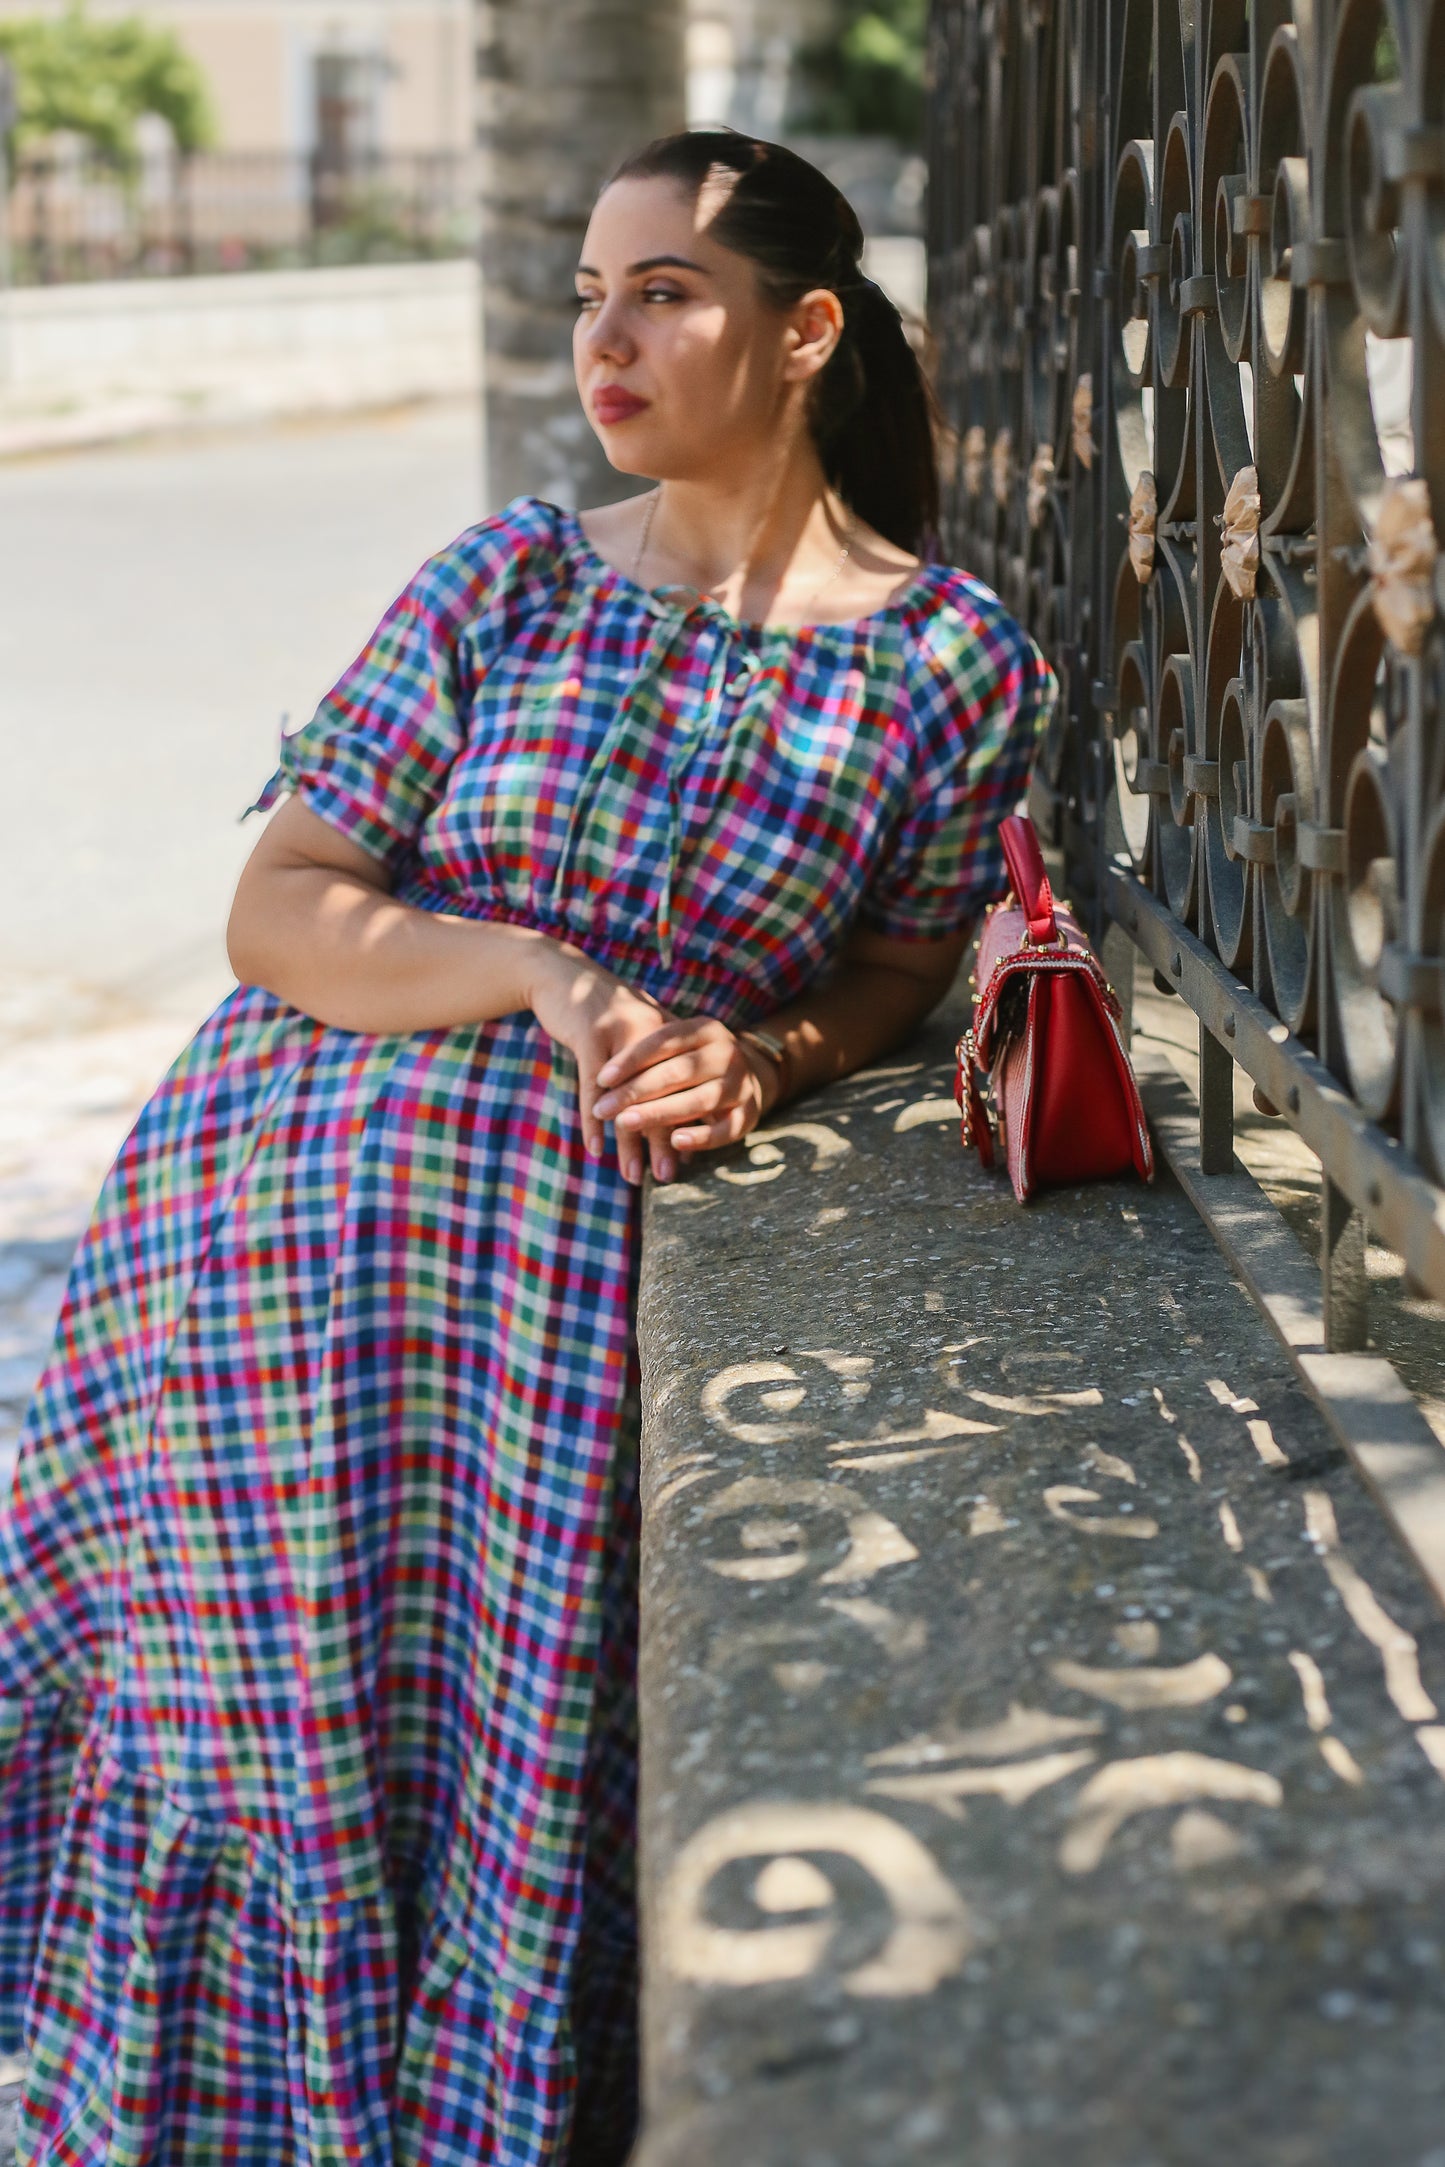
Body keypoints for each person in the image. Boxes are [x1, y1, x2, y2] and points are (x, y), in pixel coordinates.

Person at [0, 129, 1053, 2165]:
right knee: (259, 1770)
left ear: (806, 328)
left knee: (487, 1787)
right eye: (591, 293)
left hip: (549, 1346)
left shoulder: (950, 664)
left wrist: (763, 1052)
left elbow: (911, 963)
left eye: (665, 291)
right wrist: (544, 975)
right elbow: (283, 902)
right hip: (261, 1288)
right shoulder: (503, 579)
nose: (610, 336)